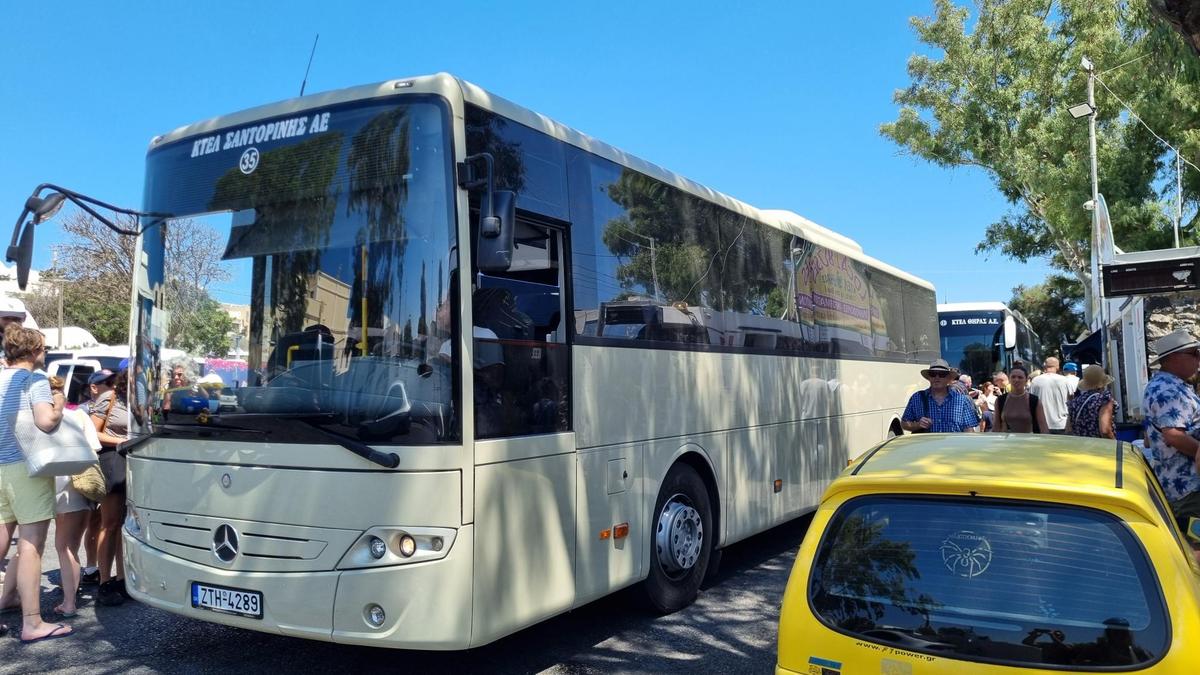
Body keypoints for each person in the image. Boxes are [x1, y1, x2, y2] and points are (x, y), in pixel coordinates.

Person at [0, 324, 72, 642]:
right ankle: (32, 623)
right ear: (32, 351)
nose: (44, 353)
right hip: (25, 467)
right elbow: (45, 421)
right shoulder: (35, 379)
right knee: (32, 544)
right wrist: (59, 402)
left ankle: (10, 601)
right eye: (43, 348)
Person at [1141, 329, 1200, 529]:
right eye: (1194, 353)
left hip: (1182, 482)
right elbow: (1174, 435)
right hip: (1188, 486)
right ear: (1174, 358)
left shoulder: (1170, 385)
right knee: (1195, 548)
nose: (1198, 359)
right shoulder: (1169, 389)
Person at [93, 369, 131, 606]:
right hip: (112, 460)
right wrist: (122, 441)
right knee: (110, 523)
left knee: (126, 524)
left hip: (134, 462)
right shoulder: (110, 397)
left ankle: (122, 578)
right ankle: (104, 582)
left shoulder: (142, 399)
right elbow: (92, 431)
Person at [900, 359, 980, 433]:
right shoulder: (917, 398)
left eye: (942, 374)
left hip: (953, 447)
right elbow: (904, 423)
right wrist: (918, 425)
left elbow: (969, 430)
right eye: (933, 374)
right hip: (926, 447)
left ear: (948, 378)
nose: (937, 377)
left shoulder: (962, 400)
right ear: (929, 377)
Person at [993, 365, 1048, 433]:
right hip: (1007, 442)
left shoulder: (1034, 401)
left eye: (1020, 377)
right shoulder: (1000, 400)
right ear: (1009, 379)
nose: (1016, 380)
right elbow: (996, 426)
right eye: (1013, 377)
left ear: (1026, 380)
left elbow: (1043, 427)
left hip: (1029, 442)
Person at [1066, 365, 1116, 439]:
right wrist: (1114, 444)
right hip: (1099, 447)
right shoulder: (1103, 400)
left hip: (1079, 447)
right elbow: (1105, 430)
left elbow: (1068, 430)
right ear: (1102, 384)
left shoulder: (1075, 402)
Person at [1029, 356, 1072, 434]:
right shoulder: (1065, 380)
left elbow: (1031, 402)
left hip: (1041, 424)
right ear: (1058, 367)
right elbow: (1071, 401)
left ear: (1045, 366)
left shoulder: (1035, 380)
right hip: (1062, 424)